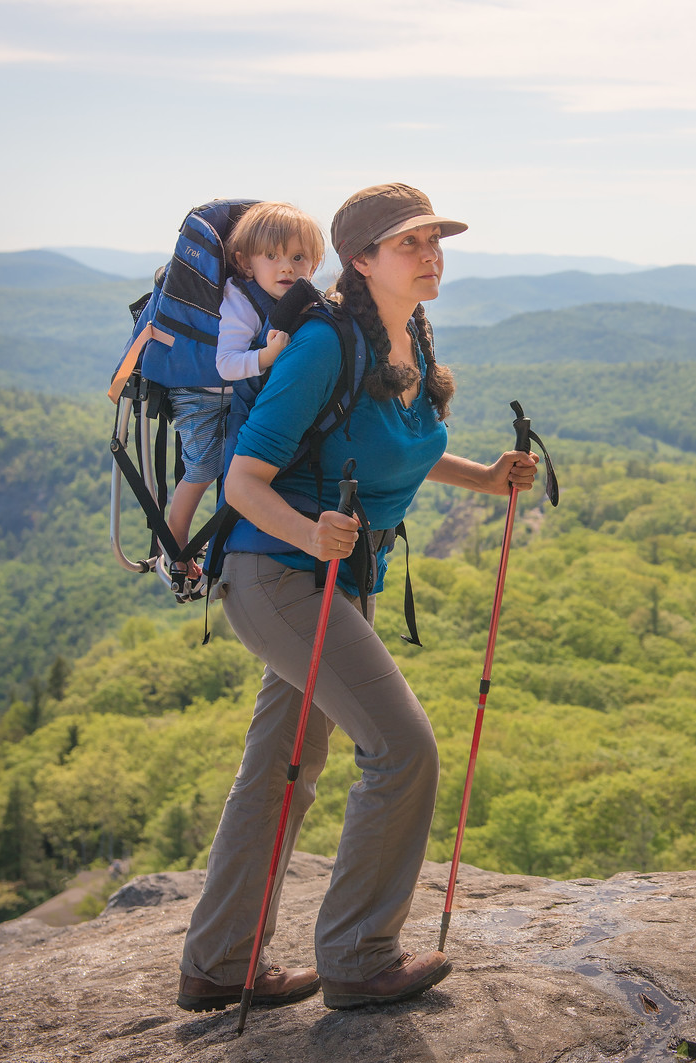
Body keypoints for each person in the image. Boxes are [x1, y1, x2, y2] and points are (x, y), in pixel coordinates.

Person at [176, 183, 538, 1012]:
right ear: (362, 259)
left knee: (282, 769)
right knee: (403, 749)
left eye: (434, 239)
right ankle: (358, 953)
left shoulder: (406, 334)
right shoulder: (323, 343)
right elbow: (245, 478)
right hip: (278, 573)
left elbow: (391, 444)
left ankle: (219, 962)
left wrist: (485, 476)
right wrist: (310, 538)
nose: (431, 253)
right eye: (411, 242)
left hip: (335, 578)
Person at [159, 201, 326, 592]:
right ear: (245, 264)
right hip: (203, 395)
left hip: (234, 395)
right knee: (204, 466)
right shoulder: (240, 300)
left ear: (314, 264)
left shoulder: (293, 296)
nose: (286, 266)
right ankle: (173, 544)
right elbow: (227, 364)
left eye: (298, 257)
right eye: (272, 256)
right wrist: (268, 356)